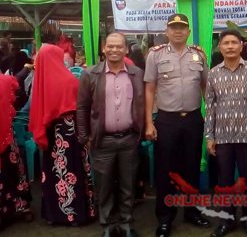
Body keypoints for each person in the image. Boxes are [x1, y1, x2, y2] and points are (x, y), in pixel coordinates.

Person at [144, 13, 211, 237]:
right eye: (174, 27)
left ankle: (192, 212)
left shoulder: (199, 55)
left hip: (193, 119)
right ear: (167, 31)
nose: (178, 31)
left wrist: (208, 118)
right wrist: (149, 123)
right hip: (166, 120)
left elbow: (205, 88)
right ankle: (165, 218)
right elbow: (150, 89)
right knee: (166, 170)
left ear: (189, 31)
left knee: (192, 166)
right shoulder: (156, 56)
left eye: (182, 27)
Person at [76, 33, 144, 237]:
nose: (114, 50)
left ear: (126, 50)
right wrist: (85, 137)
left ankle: (127, 225)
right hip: (101, 141)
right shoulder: (90, 74)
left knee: (127, 185)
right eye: (110, 47)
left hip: (129, 139)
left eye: (119, 47)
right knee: (104, 186)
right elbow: (82, 108)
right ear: (104, 49)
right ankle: (107, 226)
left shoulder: (137, 73)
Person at [205, 29, 247, 237]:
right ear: (220, 47)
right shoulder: (213, 73)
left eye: (234, 42)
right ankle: (227, 220)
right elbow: (210, 107)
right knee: (225, 181)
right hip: (222, 137)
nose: (230, 46)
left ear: (242, 46)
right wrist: (210, 136)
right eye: (226, 43)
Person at [28, 45, 95, 226]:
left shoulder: (40, 81)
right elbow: (82, 108)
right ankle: (74, 214)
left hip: (51, 133)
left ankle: (53, 214)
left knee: (53, 172)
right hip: (69, 133)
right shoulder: (69, 80)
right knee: (71, 169)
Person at [0, 74, 34, 228]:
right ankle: (22, 206)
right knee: (14, 171)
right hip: (6, 136)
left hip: (6, 136)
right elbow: (16, 95)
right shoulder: (6, 80)